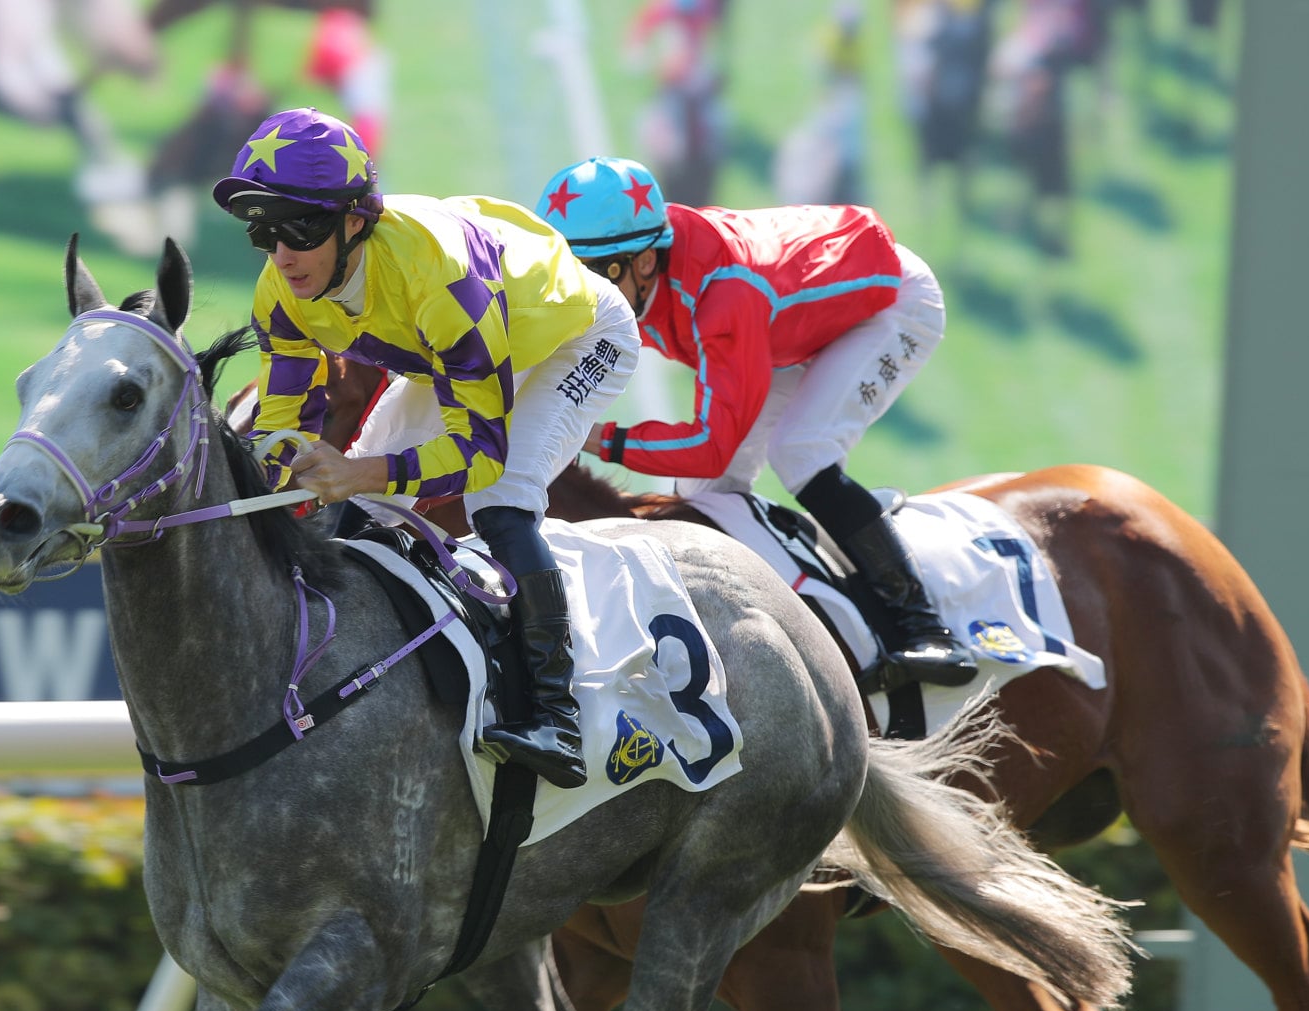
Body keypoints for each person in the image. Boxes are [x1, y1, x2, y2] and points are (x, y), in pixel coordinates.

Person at [215, 108, 643, 788]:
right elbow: (279, 423)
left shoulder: (437, 274)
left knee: (499, 500)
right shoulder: (281, 291)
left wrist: (357, 469)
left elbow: (482, 455)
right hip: (463, 352)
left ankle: (557, 714)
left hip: (576, 339)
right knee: (369, 513)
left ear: (355, 219)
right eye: (263, 231)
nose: (282, 255)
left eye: (298, 227)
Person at [534, 154, 977, 689]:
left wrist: (600, 439)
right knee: (704, 493)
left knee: (800, 451)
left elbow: (708, 444)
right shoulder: (638, 270)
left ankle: (923, 627)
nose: (581, 299)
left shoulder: (722, 302)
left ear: (647, 262)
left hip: (888, 304)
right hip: (788, 322)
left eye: (591, 277)